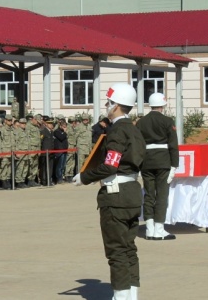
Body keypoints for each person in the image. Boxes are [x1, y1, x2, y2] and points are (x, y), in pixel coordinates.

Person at [73, 83, 146, 300]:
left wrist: (84, 177)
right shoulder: (135, 130)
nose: (106, 106)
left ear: (116, 106)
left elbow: (110, 166)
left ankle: (121, 296)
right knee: (129, 248)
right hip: (132, 192)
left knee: (116, 250)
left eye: (109, 102)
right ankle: (131, 294)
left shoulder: (116, 131)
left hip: (116, 196)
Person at [136, 93, 179, 240]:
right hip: (163, 161)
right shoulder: (167, 121)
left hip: (146, 162)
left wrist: (138, 164)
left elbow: (138, 145)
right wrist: (174, 165)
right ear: (163, 105)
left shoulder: (141, 122)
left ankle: (149, 228)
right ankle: (159, 228)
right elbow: (173, 145)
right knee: (161, 195)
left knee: (148, 195)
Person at [39, 116, 55, 186]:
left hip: (51, 152)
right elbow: (41, 142)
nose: (51, 125)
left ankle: (49, 180)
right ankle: (44, 180)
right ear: (46, 124)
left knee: (50, 167)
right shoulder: (43, 132)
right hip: (45, 153)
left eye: (52, 124)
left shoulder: (51, 132)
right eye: (50, 124)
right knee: (45, 167)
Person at [52, 120, 68, 184]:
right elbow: (61, 137)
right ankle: (59, 178)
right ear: (60, 126)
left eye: (65, 126)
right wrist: (65, 132)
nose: (64, 128)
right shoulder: (56, 131)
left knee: (63, 166)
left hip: (64, 150)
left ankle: (61, 176)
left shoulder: (64, 132)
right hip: (59, 151)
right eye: (63, 126)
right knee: (59, 166)